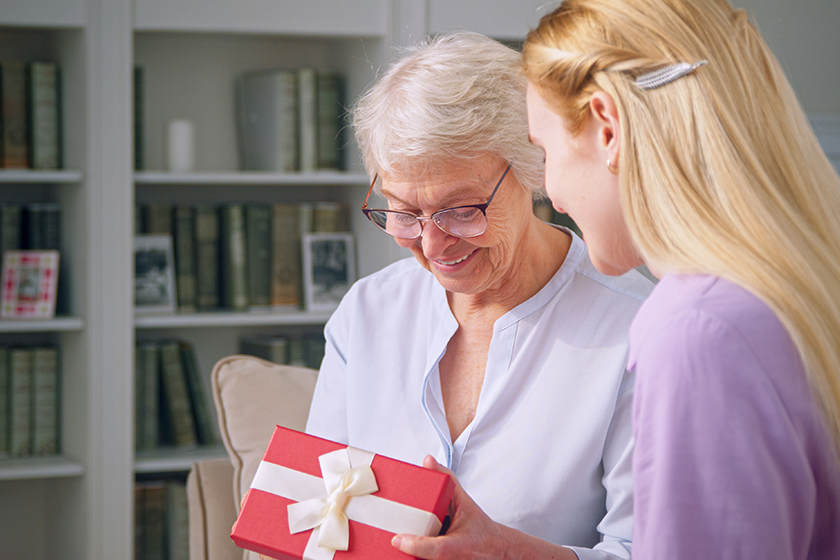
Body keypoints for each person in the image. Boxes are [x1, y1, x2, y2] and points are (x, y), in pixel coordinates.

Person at [305, 31, 653, 560]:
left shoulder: (635, 328)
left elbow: (648, 550)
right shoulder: (367, 312)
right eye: (403, 211)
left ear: (535, 168)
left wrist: (509, 554)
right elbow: (317, 510)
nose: (430, 243)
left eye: (461, 209)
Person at [514, 0, 840, 559]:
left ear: (608, 129)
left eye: (543, 151)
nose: (549, 191)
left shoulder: (697, 330)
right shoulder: (793, 291)